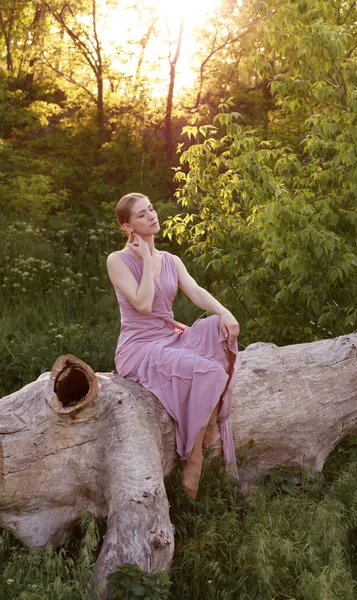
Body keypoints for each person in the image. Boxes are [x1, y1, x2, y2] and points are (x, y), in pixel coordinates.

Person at [107, 192, 240, 499]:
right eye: (142, 215)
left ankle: (208, 420)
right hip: (140, 348)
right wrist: (145, 261)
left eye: (151, 209)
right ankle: (193, 459)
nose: (152, 215)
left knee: (217, 329)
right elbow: (141, 304)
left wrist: (225, 311)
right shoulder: (118, 260)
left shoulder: (171, 260)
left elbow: (195, 291)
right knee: (207, 371)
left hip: (168, 337)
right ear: (127, 227)